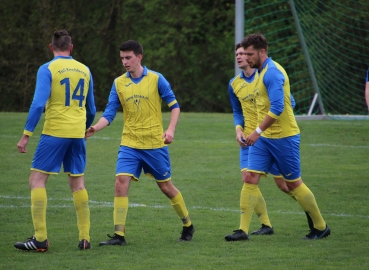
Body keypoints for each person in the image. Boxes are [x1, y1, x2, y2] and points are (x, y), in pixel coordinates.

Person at [86, 40, 194, 246]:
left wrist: (170, 130)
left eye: (128, 58)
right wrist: (95, 128)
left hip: (155, 144)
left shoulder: (156, 79)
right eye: (122, 59)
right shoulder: (118, 83)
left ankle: (188, 224)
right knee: (120, 183)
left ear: (139, 57)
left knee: (166, 187)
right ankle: (119, 235)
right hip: (130, 144)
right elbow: (109, 112)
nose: (125, 62)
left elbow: (175, 106)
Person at [225, 33, 330, 241]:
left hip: (284, 137)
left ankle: (320, 226)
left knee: (292, 184)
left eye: (249, 53)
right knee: (249, 176)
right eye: (243, 53)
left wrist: (256, 131)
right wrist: (248, 130)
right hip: (263, 139)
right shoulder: (258, 73)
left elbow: (280, 107)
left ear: (262, 52)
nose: (246, 57)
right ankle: (242, 231)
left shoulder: (272, 73)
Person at [14, 30, 96, 252]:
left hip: (55, 133)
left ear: (51, 48)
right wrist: (84, 127)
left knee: (36, 181)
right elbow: (92, 108)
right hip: (78, 134)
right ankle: (85, 237)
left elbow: (38, 104)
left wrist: (26, 134)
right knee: (77, 183)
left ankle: (40, 239)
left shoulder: (47, 68)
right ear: (71, 48)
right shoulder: (85, 69)